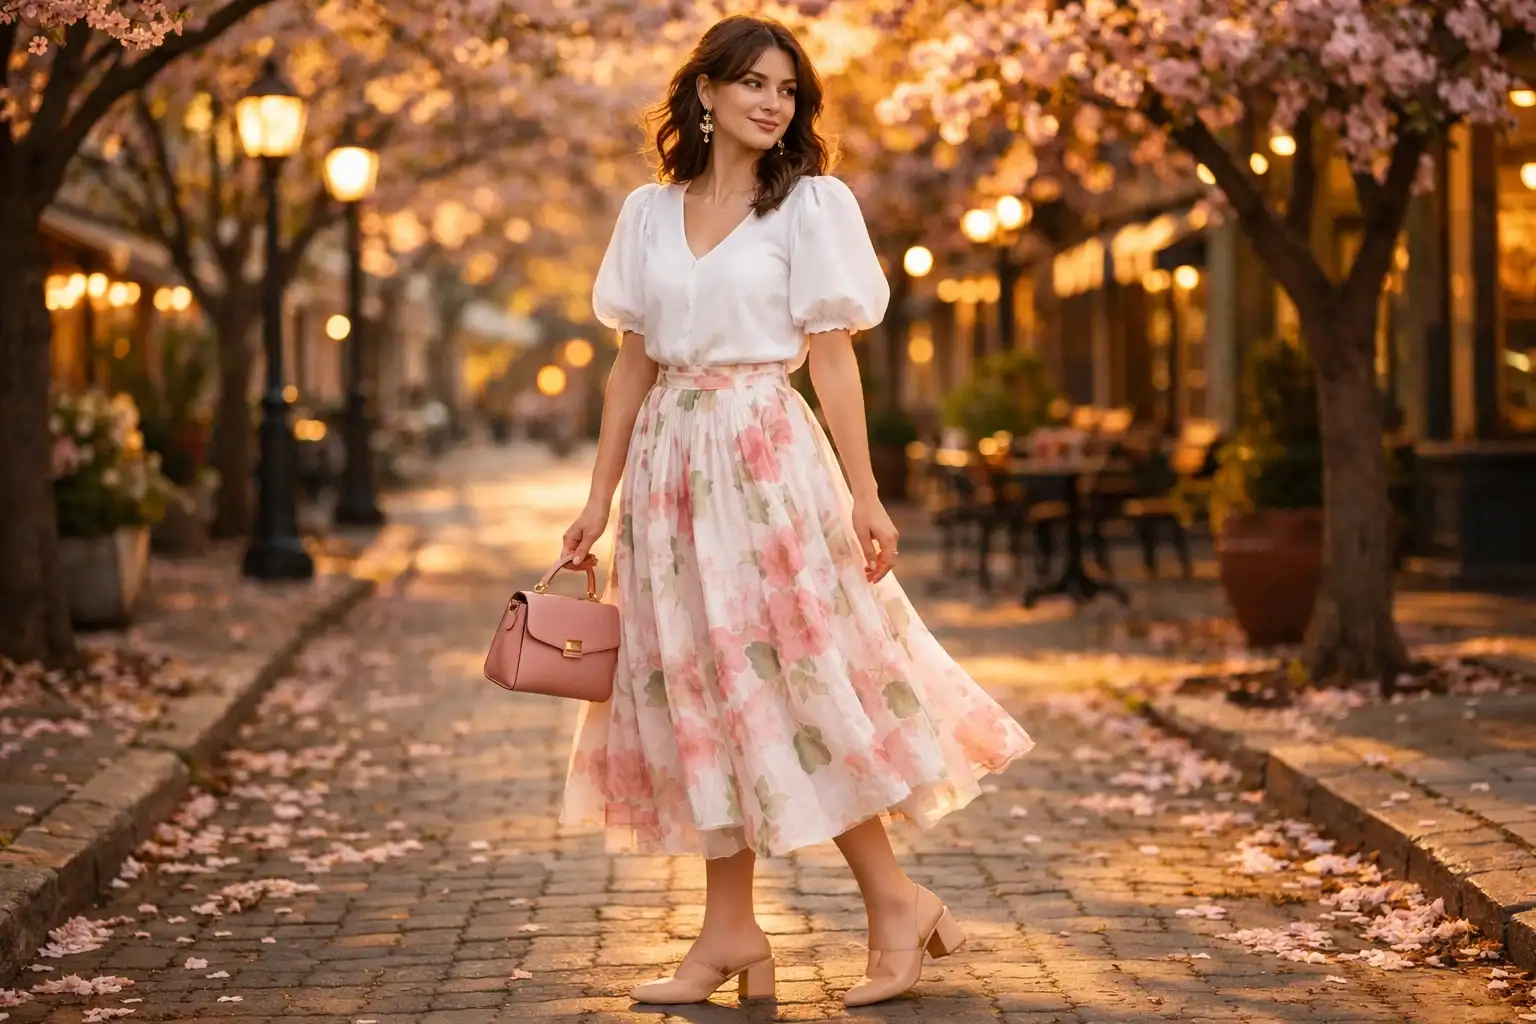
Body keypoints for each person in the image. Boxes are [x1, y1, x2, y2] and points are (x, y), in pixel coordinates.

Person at [557, 14, 1034, 1008]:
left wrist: (865, 492)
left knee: (799, 681)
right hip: (667, 473)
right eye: (755, 84)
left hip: (768, 461)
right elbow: (629, 365)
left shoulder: (812, 207)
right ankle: (729, 931)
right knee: (699, 692)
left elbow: (833, 358)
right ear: (706, 94)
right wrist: (596, 500)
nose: (774, 102)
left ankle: (894, 899)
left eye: (788, 89)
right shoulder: (648, 214)